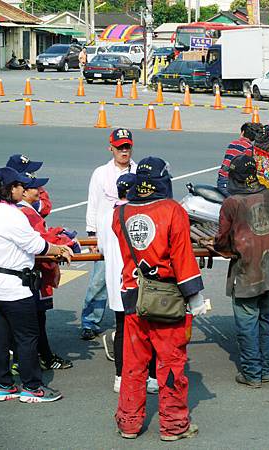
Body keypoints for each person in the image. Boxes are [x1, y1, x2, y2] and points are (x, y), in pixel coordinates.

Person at [112, 157, 206, 441]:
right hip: (166, 298)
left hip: (133, 297)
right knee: (170, 363)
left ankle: (129, 423)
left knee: (133, 364)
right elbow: (182, 258)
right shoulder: (172, 210)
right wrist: (196, 297)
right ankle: (174, 426)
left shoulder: (120, 213)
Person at [0, 167, 72, 403]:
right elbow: (36, 245)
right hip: (15, 285)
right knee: (27, 337)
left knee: (1, 338)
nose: (24, 189)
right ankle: (32, 388)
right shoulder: (12, 215)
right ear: (11, 189)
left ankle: (3, 385)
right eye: (20, 185)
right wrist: (59, 249)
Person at [214, 155, 269, 388]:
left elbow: (223, 240)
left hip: (246, 273)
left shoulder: (233, 203)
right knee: (267, 322)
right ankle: (266, 370)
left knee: (247, 324)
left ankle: (252, 373)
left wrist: (224, 249)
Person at [99, 173, 158, 394]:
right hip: (137, 278)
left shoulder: (106, 216)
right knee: (147, 328)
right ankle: (150, 376)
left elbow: (102, 248)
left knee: (122, 328)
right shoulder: (140, 213)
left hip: (116, 280)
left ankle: (120, 376)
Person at [81, 128, 137, 341]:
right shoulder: (101, 173)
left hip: (132, 237)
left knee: (131, 280)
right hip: (107, 236)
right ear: (111, 148)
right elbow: (93, 203)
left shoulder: (139, 170)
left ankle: (130, 322)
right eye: (120, 147)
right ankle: (90, 321)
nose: (124, 151)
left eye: (127, 147)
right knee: (99, 280)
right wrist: (92, 234)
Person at [17, 175, 75, 371]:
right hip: (33, 274)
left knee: (17, 325)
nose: (40, 191)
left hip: (20, 274)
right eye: (36, 188)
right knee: (36, 321)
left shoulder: (18, 210)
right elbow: (42, 240)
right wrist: (63, 240)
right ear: (23, 191)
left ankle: (22, 359)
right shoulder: (28, 213)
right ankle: (43, 359)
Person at [216, 123, 259, 197]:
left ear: (242, 132)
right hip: (230, 183)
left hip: (222, 179)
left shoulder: (232, 143)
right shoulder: (249, 149)